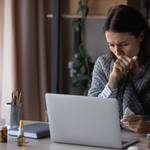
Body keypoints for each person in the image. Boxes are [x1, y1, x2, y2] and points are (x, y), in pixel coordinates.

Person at [88, 5, 150, 133]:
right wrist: (114, 79)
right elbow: (93, 111)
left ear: (141, 36)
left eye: (124, 44)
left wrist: (148, 126)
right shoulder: (103, 64)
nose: (118, 52)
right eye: (111, 45)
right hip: (111, 137)